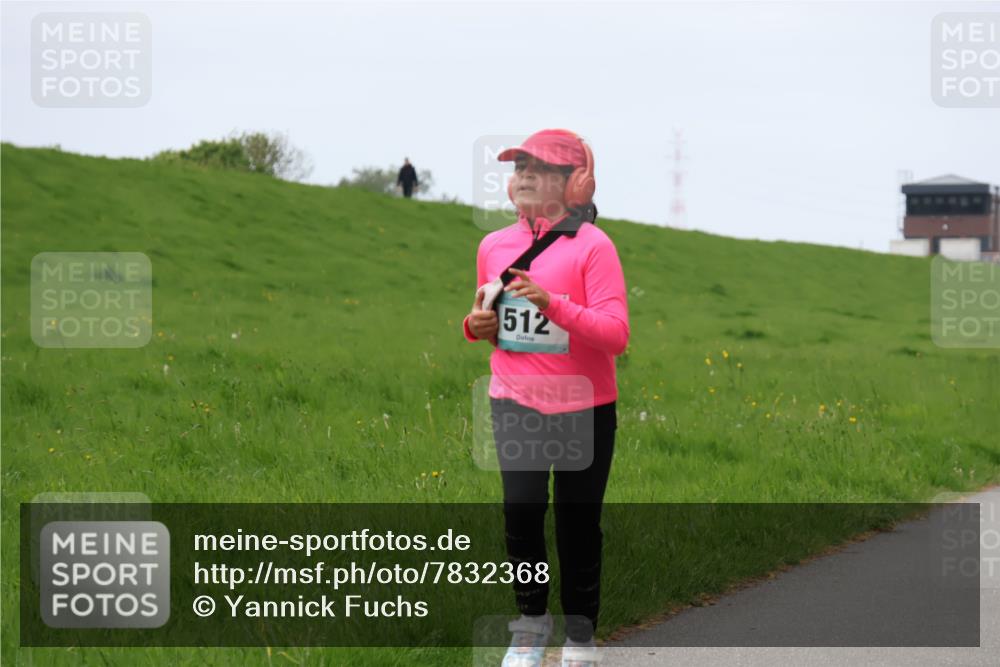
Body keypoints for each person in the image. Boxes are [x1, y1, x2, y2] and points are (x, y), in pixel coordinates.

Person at [461, 129, 629, 667]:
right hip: (515, 400)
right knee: (522, 513)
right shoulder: (493, 245)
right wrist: (476, 325)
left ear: (575, 183)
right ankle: (530, 627)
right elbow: (488, 318)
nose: (525, 176)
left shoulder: (594, 247)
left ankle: (580, 639)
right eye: (520, 167)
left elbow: (616, 334)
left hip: (585, 405)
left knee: (577, 524)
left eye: (542, 168)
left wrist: (554, 304)